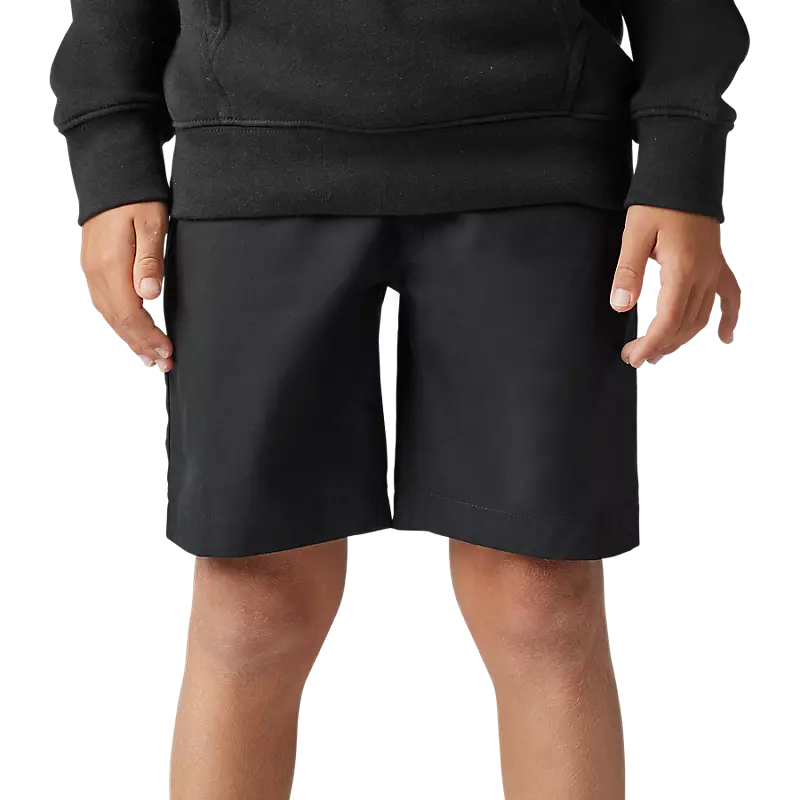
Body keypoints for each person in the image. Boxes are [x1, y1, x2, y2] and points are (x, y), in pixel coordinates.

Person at [50, 1, 749, 797]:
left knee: (541, 601)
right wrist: (111, 150)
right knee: (252, 603)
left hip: (540, 153)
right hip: (250, 151)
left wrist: (683, 157)